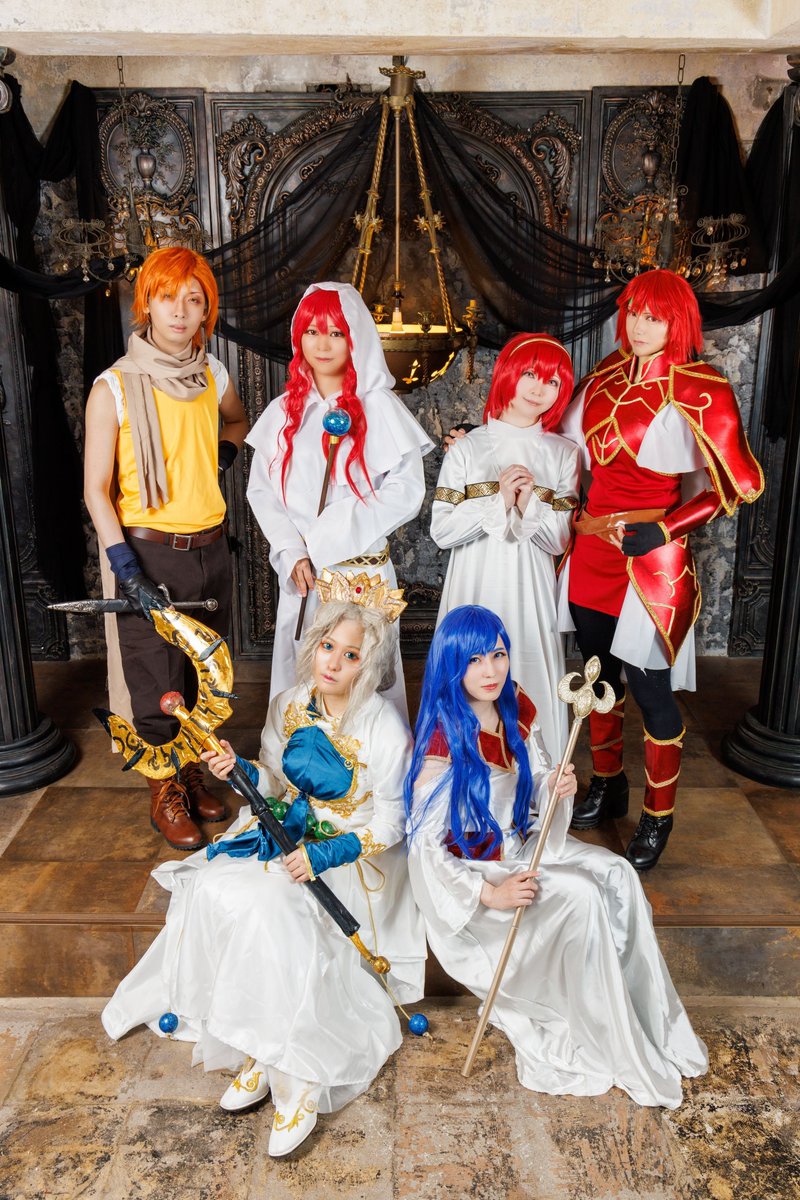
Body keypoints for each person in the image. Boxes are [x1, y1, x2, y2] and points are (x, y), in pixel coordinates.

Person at [101, 571, 426, 1158]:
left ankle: (295, 1078)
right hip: (282, 831)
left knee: (274, 911)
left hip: (349, 856)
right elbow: (274, 783)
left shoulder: (384, 728)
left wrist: (324, 853)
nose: (333, 663)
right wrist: (241, 771)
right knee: (213, 888)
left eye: (351, 655)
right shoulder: (290, 703)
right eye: (327, 645)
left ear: (368, 665)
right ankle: (261, 1048)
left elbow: (391, 824)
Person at [405, 605, 708, 1109]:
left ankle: (647, 1021)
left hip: (524, 844)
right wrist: (489, 893)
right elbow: (424, 848)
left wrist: (553, 785)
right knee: (583, 895)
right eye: (474, 660)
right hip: (481, 873)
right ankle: (604, 1032)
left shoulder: (514, 705)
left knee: (618, 874)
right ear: (451, 664)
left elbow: (537, 776)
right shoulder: (444, 739)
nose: (490, 670)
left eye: (497, 655)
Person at [557, 269, 764, 870]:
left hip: (652, 561)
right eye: (633, 312)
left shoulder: (702, 387)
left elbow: (733, 485)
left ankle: (657, 816)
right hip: (591, 550)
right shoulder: (602, 377)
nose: (639, 325)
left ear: (679, 323)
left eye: (654, 316)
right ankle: (608, 785)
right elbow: (558, 448)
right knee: (598, 678)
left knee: (651, 691)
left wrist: (666, 529)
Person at [84, 247, 249, 851]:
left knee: (205, 676)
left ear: (207, 310)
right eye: (167, 297)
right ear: (146, 304)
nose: (180, 311)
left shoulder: (213, 375)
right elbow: (95, 490)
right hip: (146, 553)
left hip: (210, 549)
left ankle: (192, 771)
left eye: (193, 299)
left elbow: (237, 422)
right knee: (157, 680)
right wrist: (125, 568)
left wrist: (219, 459)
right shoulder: (113, 387)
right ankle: (165, 791)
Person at [246, 281, 433, 718]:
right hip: (306, 574)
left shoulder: (380, 407)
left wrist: (333, 530)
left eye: (336, 332)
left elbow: (406, 490)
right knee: (305, 675)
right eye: (312, 331)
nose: (323, 344)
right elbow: (262, 490)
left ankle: (372, 760)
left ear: (355, 338)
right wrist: (291, 549)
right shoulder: (283, 412)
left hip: (362, 574)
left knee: (365, 677)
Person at [430, 333, 579, 764]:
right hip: (474, 579)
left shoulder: (564, 454)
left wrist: (529, 502)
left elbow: (558, 539)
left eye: (552, 381)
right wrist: (498, 502)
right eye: (530, 374)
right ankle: (459, 775)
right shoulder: (467, 448)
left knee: (526, 665)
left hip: (531, 586)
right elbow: (442, 530)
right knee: (469, 667)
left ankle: (539, 780)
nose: (538, 388)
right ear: (508, 375)